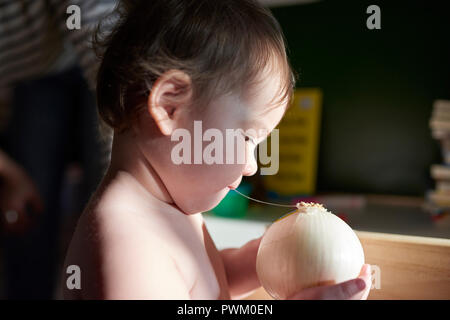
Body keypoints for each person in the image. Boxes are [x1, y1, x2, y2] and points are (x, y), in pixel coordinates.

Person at [62, 0, 372, 299]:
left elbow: (202, 283)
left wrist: (262, 260)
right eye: (249, 138)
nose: (252, 166)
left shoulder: (167, 206)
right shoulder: (128, 242)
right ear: (170, 107)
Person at [0, 0, 116, 299]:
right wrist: (12, 175)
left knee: (106, 198)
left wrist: (123, 183)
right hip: (27, 81)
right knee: (31, 213)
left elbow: (110, 66)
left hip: (87, 53)